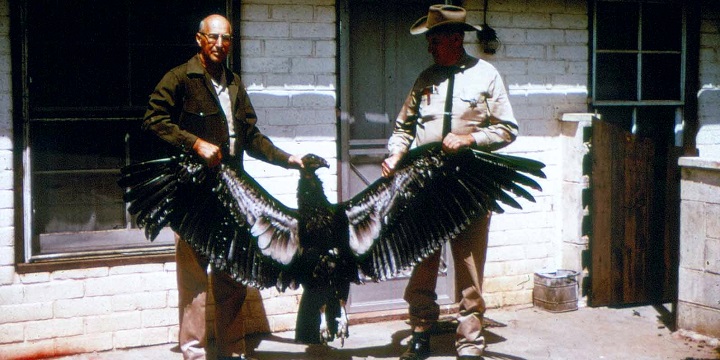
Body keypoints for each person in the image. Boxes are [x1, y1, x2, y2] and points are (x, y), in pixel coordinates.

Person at [142, 14, 304, 360]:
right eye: (213, 37)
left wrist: (289, 159)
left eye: (226, 38)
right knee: (194, 282)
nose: (220, 45)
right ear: (199, 39)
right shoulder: (181, 78)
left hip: (231, 197)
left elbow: (252, 137)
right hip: (192, 195)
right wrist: (194, 143)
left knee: (233, 276)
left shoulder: (233, 83)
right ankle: (194, 353)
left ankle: (233, 351)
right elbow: (153, 119)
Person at [381, 5, 518, 360]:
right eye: (428, 40)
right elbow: (403, 128)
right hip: (427, 185)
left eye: (434, 40)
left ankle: (470, 343)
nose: (429, 47)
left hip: (469, 185)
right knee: (423, 261)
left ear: (454, 39)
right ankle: (421, 333)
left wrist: (470, 139)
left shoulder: (486, 75)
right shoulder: (424, 79)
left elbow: (507, 128)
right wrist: (396, 153)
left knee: (469, 266)